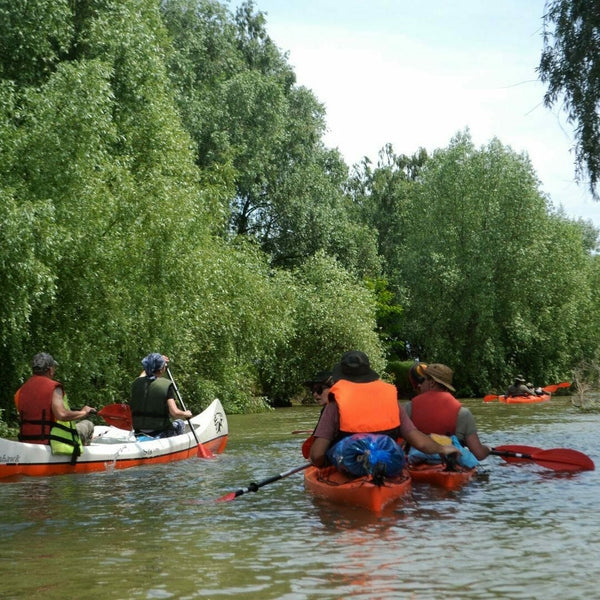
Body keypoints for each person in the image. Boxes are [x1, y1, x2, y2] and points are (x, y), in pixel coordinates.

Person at [309, 351, 460, 468]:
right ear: (368, 374)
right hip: (388, 464)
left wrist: (323, 466)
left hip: (351, 465)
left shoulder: (335, 404)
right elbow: (419, 442)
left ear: (341, 377)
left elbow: (317, 455)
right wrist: (442, 449)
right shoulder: (391, 401)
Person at [14, 352, 95, 461]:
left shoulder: (20, 391)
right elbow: (62, 414)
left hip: (26, 441)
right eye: (54, 368)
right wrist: (84, 412)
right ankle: (84, 458)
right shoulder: (54, 388)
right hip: (53, 443)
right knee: (88, 424)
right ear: (50, 370)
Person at [404, 363, 491, 461]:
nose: (420, 384)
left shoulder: (410, 407)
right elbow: (479, 454)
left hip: (415, 466)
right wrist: (488, 449)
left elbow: (400, 442)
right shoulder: (463, 413)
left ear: (432, 383)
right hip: (450, 467)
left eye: (423, 380)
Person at [130, 353, 192, 438]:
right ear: (162, 369)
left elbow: (144, 374)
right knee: (180, 423)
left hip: (139, 431)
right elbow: (175, 413)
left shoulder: (137, 383)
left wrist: (155, 362)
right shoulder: (166, 385)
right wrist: (186, 413)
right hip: (158, 433)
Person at [300, 370, 333, 459]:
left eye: (319, 390)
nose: (314, 394)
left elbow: (316, 455)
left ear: (334, 388)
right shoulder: (328, 409)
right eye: (313, 391)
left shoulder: (331, 410)